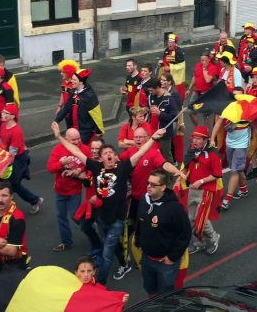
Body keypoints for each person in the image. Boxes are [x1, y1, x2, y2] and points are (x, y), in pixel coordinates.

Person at [52, 121, 166, 286]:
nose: (109, 155)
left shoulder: (123, 167)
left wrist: (153, 138)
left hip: (117, 220)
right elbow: (74, 150)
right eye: (105, 153)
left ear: (115, 156)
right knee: (111, 245)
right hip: (102, 217)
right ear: (101, 158)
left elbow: (141, 153)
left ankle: (99, 284)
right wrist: (58, 136)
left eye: (111, 152)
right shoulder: (96, 167)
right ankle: (124, 264)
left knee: (106, 255)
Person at [135, 169, 191, 297]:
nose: (149, 187)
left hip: (165, 264)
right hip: (147, 259)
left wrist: (172, 257)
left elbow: (185, 234)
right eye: (148, 183)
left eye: (153, 185)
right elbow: (140, 223)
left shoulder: (175, 208)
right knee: (151, 291)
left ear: (163, 187)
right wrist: (139, 242)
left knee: (166, 297)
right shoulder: (144, 201)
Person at [119, 127, 186, 235]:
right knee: (129, 225)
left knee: (147, 225)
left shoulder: (153, 153)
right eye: (136, 137)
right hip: (134, 197)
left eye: (141, 137)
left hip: (149, 199)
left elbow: (165, 164)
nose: (138, 139)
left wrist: (176, 171)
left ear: (147, 138)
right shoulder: (130, 151)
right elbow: (118, 159)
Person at [180, 126, 222, 255]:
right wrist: (179, 175)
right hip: (193, 188)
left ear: (205, 140)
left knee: (200, 219)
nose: (195, 141)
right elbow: (186, 166)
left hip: (206, 190)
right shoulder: (192, 150)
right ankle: (199, 242)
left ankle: (213, 237)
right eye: (194, 138)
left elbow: (217, 174)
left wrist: (201, 181)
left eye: (198, 139)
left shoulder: (213, 154)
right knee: (191, 218)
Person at [211, 89, 251, 210]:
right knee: (237, 169)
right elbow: (218, 124)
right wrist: (212, 139)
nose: (236, 98)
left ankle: (227, 199)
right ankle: (244, 189)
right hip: (229, 144)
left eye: (238, 96)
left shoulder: (248, 109)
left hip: (242, 145)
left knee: (234, 170)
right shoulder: (228, 108)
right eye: (234, 96)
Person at [47, 128, 86, 252]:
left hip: (75, 190)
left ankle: (94, 233)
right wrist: (61, 163)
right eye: (73, 140)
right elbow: (50, 168)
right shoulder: (58, 150)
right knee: (61, 217)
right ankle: (66, 242)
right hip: (60, 190)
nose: (76, 142)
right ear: (66, 139)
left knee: (76, 216)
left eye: (78, 138)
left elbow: (90, 164)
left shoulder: (84, 149)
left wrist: (79, 170)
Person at [0, 104, 44, 213]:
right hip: (8, 157)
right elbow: (1, 142)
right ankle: (34, 200)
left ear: (12, 116)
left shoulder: (17, 131)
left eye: (5, 113)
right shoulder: (3, 125)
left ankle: (34, 200)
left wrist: (5, 163)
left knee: (12, 184)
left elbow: (13, 152)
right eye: (3, 112)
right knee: (12, 184)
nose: (2, 114)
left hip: (19, 159)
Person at [55, 69, 105, 145]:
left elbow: (96, 114)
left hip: (85, 131)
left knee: (79, 151)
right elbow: (67, 107)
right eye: (72, 79)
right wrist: (57, 120)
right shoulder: (73, 91)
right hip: (74, 128)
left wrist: (98, 131)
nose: (72, 81)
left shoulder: (89, 96)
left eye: (74, 79)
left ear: (81, 82)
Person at [146, 78, 180, 164]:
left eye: (152, 90)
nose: (150, 92)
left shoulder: (169, 99)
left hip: (164, 133)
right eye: (149, 90)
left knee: (166, 156)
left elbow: (174, 117)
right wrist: (145, 110)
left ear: (158, 87)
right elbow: (148, 108)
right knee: (153, 153)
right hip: (152, 131)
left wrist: (160, 113)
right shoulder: (151, 96)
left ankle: (169, 175)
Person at [187, 52, 218, 128]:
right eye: (202, 60)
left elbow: (208, 80)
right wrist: (189, 89)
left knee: (206, 115)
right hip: (197, 92)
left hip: (206, 94)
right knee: (190, 112)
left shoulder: (213, 68)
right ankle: (197, 129)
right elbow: (195, 77)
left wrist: (204, 69)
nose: (203, 62)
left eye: (205, 60)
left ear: (209, 60)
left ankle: (206, 132)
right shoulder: (198, 65)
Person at [56, 60, 80, 129]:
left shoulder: (75, 84)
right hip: (67, 113)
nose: (61, 73)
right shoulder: (64, 81)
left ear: (68, 72)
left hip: (75, 113)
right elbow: (63, 93)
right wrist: (60, 106)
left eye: (63, 72)